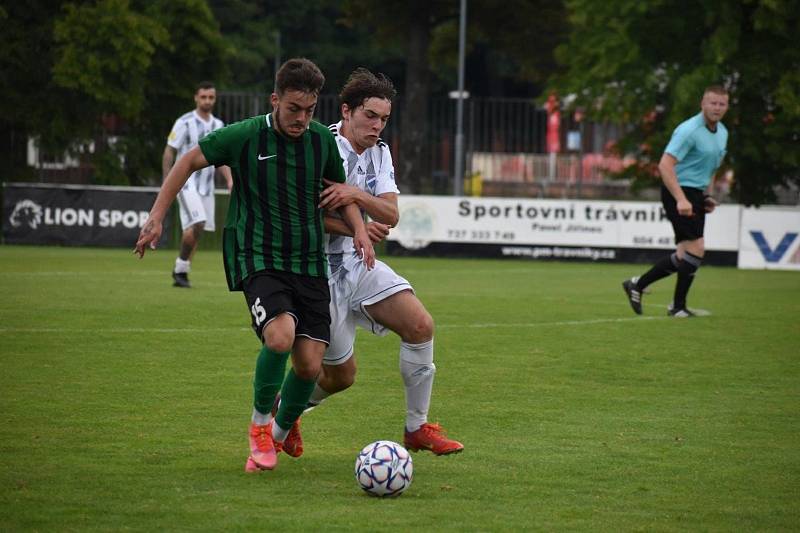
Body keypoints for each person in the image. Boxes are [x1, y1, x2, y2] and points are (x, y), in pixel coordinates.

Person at [135, 58, 375, 472]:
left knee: (310, 364)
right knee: (280, 337)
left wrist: (358, 229)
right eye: (293, 109)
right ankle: (260, 427)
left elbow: (340, 195)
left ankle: (279, 432)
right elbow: (187, 161)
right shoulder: (246, 135)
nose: (302, 119)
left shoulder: (320, 142)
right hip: (258, 256)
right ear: (275, 100)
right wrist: (157, 215)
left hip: (308, 260)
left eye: (310, 110)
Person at [276, 68, 463, 457]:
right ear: (346, 111)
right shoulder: (318, 145)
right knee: (341, 377)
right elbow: (304, 214)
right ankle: (287, 409)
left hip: (360, 264)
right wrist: (355, 227)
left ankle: (417, 428)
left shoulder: (380, 152)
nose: (378, 126)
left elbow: (391, 213)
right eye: (371, 116)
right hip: (317, 271)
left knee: (420, 325)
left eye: (384, 119)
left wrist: (355, 195)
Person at [623, 85, 730, 317]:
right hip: (678, 191)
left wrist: (706, 196)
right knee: (697, 247)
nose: (717, 108)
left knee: (684, 255)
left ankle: (637, 285)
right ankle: (677, 307)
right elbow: (664, 165)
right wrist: (681, 199)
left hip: (695, 194)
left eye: (722, 104)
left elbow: (711, 167)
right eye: (713, 103)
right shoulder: (689, 130)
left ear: (727, 107)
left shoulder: (722, 132)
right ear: (703, 103)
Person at [163, 81, 233, 288]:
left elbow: (222, 159)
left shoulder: (219, 126)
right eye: (203, 97)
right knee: (198, 223)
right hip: (186, 183)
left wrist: (230, 179)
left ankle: (181, 272)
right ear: (196, 97)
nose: (207, 101)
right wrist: (168, 181)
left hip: (207, 187)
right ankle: (180, 268)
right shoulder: (184, 122)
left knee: (197, 229)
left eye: (211, 97)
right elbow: (169, 151)